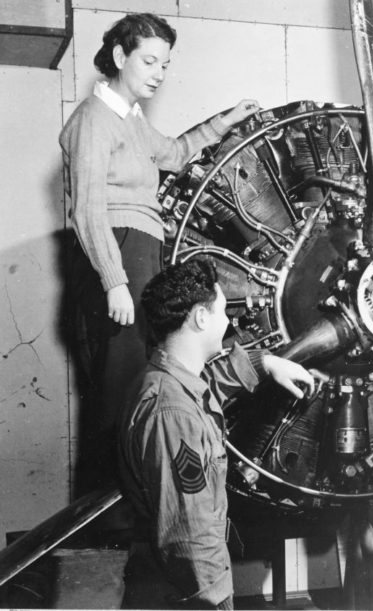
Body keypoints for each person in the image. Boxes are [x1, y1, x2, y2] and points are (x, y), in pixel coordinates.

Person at [59, 12, 260, 489]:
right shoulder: (92, 119)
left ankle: (133, 512)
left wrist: (225, 121)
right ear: (118, 56)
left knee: (137, 388)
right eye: (149, 61)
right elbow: (87, 210)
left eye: (165, 65)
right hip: (116, 254)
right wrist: (115, 281)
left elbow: (173, 153)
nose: (158, 74)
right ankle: (107, 526)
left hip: (140, 253)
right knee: (118, 393)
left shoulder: (130, 120)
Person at [118, 258, 315, 610]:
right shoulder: (172, 413)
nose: (229, 320)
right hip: (192, 593)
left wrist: (265, 363)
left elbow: (207, 387)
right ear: (200, 317)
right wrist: (217, 601)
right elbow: (187, 533)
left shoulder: (169, 381)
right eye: (223, 311)